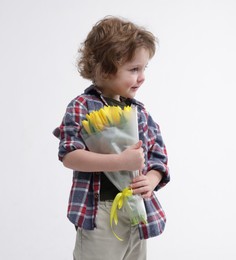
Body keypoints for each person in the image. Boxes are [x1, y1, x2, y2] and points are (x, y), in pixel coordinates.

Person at [53, 16, 170, 260]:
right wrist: (120, 162)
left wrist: (150, 179)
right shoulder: (82, 106)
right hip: (99, 213)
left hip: (136, 211)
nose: (142, 77)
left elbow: (159, 156)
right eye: (134, 69)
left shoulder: (139, 112)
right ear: (105, 69)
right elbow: (70, 156)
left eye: (144, 68)